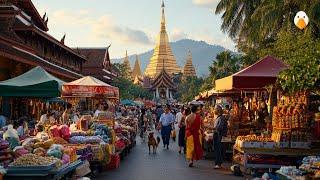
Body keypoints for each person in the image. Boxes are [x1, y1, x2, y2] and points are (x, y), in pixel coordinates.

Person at [213, 105, 228, 169]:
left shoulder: (221, 118)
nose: (214, 110)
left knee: (218, 150)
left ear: (218, 111)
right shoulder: (219, 117)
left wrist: (213, 128)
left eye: (215, 109)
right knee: (217, 149)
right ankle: (218, 163)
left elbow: (220, 127)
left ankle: (218, 164)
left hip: (219, 135)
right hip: (217, 135)